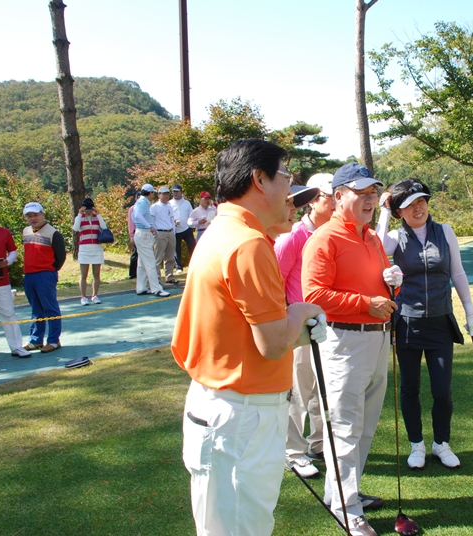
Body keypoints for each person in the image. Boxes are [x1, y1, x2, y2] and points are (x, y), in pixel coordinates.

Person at [171, 139, 326, 536]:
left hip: (225, 407)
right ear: (259, 179)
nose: (290, 189)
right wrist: (301, 311)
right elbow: (273, 344)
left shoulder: (224, 229)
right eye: (285, 176)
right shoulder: (248, 243)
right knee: (245, 527)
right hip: (242, 414)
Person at [301, 162, 400, 536]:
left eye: (373, 193)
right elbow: (314, 295)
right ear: (339, 196)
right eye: (361, 193)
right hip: (344, 341)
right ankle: (347, 508)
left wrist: (393, 282)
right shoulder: (324, 239)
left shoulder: (371, 236)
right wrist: (365, 303)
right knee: (344, 426)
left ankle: (344, 491)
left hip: (376, 337)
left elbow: (382, 287)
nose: (370, 199)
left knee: (365, 426)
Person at [376, 178, 473, 470]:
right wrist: (384, 210)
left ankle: (441, 443)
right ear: (400, 211)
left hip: (440, 322)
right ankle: (416, 444)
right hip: (408, 322)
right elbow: (377, 246)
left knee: (442, 391)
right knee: (410, 389)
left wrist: (470, 312)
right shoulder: (394, 237)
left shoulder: (445, 232)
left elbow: (457, 272)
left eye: (421, 201)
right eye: (409, 205)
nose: (417, 208)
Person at [274, 173, 335, 479]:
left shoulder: (333, 234)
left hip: (327, 325)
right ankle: (293, 452)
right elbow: (276, 282)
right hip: (300, 329)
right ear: (313, 201)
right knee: (299, 390)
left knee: (324, 389)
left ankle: (318, 443)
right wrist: (292, 319)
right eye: (329, 197)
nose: (335, 202)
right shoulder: (294, 236)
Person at [22, 202, 67, 354]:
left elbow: (60, 256)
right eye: (29, 216)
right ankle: (36, 339)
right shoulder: (26, 231)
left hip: (45, 274)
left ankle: (54, 340)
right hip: (29, 275)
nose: (33, 218)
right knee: (36, 309)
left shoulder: (53, 233)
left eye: (36, 215)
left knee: (50, 307)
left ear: (42, 214)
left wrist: (51, 270)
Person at [0, 217, 30, 357]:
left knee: (8, 313)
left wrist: (7, 261)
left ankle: (16, 347)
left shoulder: (3, 232)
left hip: (1, 281)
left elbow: (13, 251)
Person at [131, 184, 170, 297]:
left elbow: (134, 215)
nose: (153, 195)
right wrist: (150, 226)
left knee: (142, 264)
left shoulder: (140, 201)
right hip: (143, 233)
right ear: (150, 193)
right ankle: (156, 289)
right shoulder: (143, 202)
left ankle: (141, 287)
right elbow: (137, 215)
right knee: (151, 263)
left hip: (141, 233)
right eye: (152, 192)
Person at [72, 197, 108, 305]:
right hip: (84, 248)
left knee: (96, 274)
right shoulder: (80, 218)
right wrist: (79, 214)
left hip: (96, 247)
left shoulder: (96, 217)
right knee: (84, 274)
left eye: (90, 209)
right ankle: (83, 297)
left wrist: (98, 214)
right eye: (86, 209)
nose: (88, 211)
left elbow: (104, 227)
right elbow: (75, 228)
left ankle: (95, 295)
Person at [151, 186, 178, 284]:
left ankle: (169, 276)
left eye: (167, 194)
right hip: (160, 232)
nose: (166, 196)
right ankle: (157, 279)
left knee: (170, 257)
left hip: (170, 232)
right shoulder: (154, 207)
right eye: (164, 194)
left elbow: (171, 220)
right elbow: (152, 221)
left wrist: (173, 232)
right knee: (158, 257)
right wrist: (156, 233)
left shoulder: (169, 206)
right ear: (159, 195)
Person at [170, 184, 196, 273]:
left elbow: (191, 215)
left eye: (177, 191)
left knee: (192, 247)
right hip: (175, 230)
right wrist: (173, 222)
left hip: (186, 228)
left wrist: (192, 226)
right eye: (174, 192)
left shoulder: (186, 203)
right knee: (176, 249)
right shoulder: (170, 203)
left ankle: (194, 264)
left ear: (181, 192)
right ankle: (179, 268)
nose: (175, 193)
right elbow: (168, 216)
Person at [127, 193, 139, 279]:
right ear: (135, 198)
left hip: (144, 232)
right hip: (135, 232)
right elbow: (131, 223)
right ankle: (133, 273)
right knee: (135, 253)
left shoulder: (146, 208)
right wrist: (131, 235)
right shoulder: (132, 209)